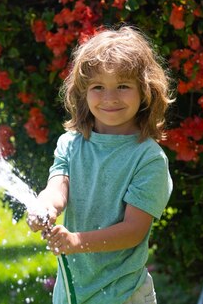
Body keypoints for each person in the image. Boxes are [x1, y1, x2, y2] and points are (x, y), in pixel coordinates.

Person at [27, 25, 173, 304]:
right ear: (83, 92)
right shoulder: (70, 144)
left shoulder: (147, 158)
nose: (110, 98)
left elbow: (133, 231)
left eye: (123, 86)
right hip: (71, 294)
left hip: (123, 293)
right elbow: (57, 189)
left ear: (145, 91)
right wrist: (44, 207)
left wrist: (76, 242)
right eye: (98, 87)